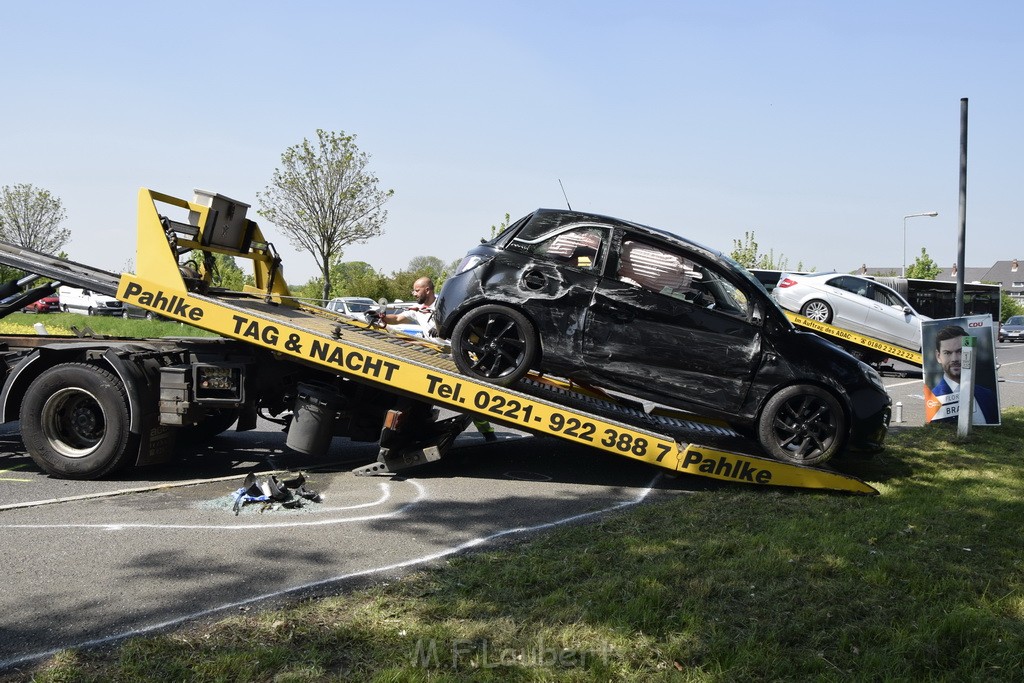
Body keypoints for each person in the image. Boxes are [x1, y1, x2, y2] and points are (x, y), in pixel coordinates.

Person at [377, 276, 498, 442]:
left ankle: (487, 432)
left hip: (454, 354)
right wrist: (383, 318)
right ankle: (420, 422)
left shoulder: (445, 304)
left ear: (427, 290)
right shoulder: (417, 309)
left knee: (467, 394)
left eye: (417, 290)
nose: (414, 293)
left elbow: (463, 324)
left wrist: (441, 327)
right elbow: (398, 319)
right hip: (434, 354)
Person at [928, 325, 998, 424]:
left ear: (971, 351)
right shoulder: (933, 400)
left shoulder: (988, 395)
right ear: (938, 356)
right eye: (947, 353)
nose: (954, 359)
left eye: (960, 351)